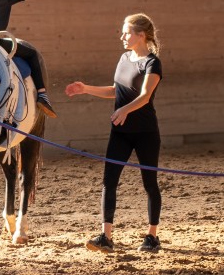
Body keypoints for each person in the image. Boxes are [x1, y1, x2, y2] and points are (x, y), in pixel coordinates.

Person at [65, 13, 163, 253]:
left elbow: (144, 96)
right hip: (120, 130)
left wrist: (124, 110)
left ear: (141, 35)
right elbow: (115, 91)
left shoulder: (152, 63)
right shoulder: (123, 57)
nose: (122, 36)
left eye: (126, 32)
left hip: (145, 132)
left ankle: (152, 236)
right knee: (109, 182)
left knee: (149, 183)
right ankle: (106, 236)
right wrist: (85, 89)